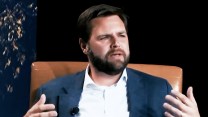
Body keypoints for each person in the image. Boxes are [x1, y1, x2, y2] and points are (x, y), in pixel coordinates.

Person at [24, 4, 200, 117]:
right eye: (104, 37)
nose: (116, 44)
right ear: (84, 46)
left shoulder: (160, 90)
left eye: (121, 35)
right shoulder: (51, 93)